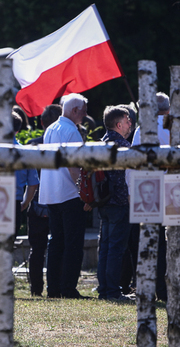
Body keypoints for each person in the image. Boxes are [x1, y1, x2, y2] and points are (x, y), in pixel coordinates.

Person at [39, 93, 88, 299]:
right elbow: (74, 166)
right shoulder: (72, 131)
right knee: (73, 243)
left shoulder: (51, 128)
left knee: (56, 242)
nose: (85, 115)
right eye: (84, 111)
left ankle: (54, 288)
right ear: (75, 111)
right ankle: (68, 287)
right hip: (68, 193)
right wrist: (82, 191)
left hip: (51, 192)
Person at [96, 105, 132, 302]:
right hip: (119, 202)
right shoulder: (123, 146)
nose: (130, 124)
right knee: (116, 249)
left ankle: (104, 289)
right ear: (118, 124)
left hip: (103, 201)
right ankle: (112, 291)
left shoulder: (101, 143)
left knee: (106, 247)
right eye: (127, 121)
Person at [26, 105, 60, 296]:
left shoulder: (32, 145)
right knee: (57, 246)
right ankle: (55, 287)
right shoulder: (63, 147)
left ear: (41, 123)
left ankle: (35, 290)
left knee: (36, 250)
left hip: (36, 202)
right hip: (58, 201)